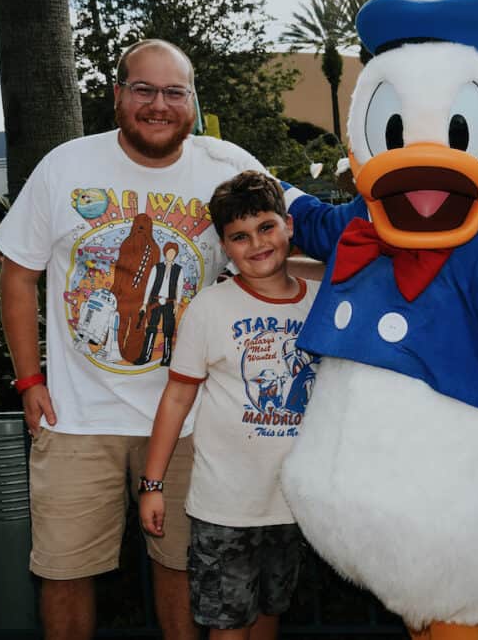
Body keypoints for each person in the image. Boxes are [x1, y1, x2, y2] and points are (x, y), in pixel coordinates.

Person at [0, 38, 266, 640]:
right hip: (77, 418)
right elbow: (18, 274)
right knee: (64, 572)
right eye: (143, 89)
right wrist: (29, 379)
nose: (158, 104)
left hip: (195, 416)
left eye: (174, 91)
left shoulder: (228, 168)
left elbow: (281, 253)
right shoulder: (66, 166)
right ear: (117, 95)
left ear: (192, 101)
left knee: (184, 568)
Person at [139, 170, 318, 640]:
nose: (256, 244)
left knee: (268, 619)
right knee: (226, 627)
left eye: (266, 227)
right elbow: (177, 396)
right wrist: (152, 483)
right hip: (224, 507)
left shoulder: (319, 302)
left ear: (288, 226)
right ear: (224, 245)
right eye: (239, 237)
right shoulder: (210, 307)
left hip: (293, 503)